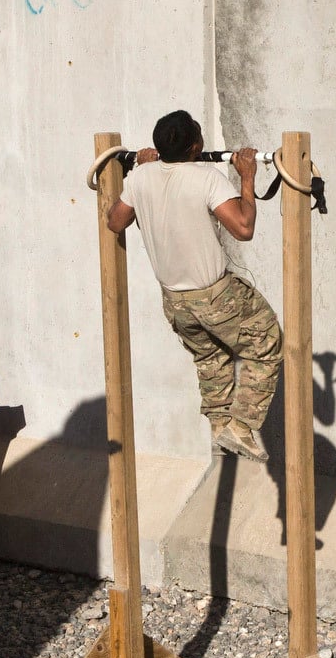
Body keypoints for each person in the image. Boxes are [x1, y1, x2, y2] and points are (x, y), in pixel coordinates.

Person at [105, 110, 283, 463]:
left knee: (210, 354)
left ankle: (220, 425)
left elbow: (115, 222)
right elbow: (243, 229)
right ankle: (242, 424)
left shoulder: (141, 178)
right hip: (214, 295)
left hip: (174, 301)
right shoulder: (207, 178)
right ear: (196, 146)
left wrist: (140, 169)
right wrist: (246, 177)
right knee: (266, 342)